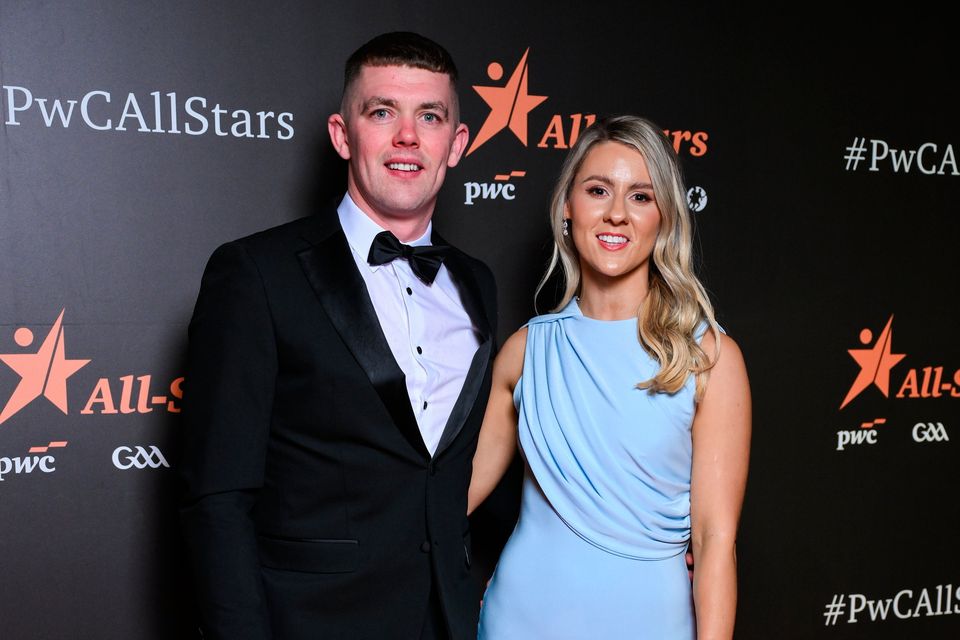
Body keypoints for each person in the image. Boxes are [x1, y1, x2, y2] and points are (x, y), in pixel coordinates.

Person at [177, 32, 496, 640]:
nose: (407, 136)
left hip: (448, 621)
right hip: (310, 623)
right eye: (382, 112)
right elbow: (217, 499)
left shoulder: (477, 282)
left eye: (429, 116)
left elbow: (450, 468)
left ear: (455, 144)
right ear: (342, 134)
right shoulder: (255, 273)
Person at [468, 115, 751, 639]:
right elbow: (446, 499)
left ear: (665, 217)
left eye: (641, 197)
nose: (617, 214)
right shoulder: (528, 350)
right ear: (567, 208)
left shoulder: (709, 357)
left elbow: (715, 539)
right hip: (518, 621)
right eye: (598, 190)